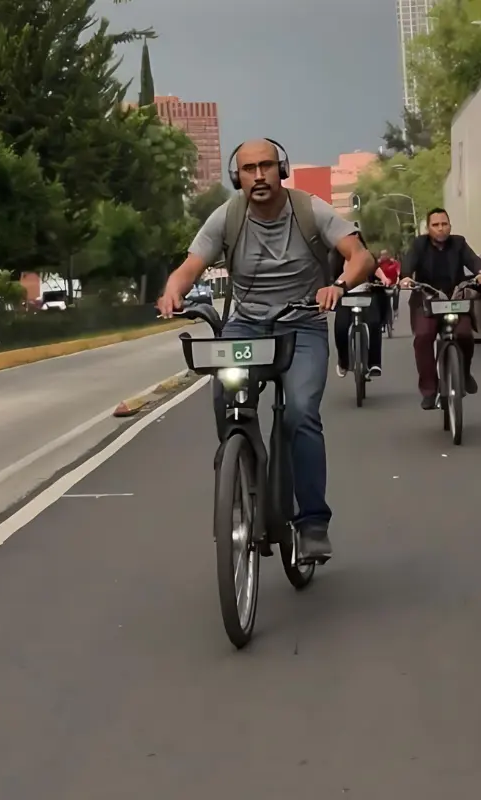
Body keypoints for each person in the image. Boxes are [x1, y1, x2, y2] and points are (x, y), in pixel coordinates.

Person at [157, 138, 375, 561]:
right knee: (224, 395)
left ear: (282, 170)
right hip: (247, 324)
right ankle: (244, 471)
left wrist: (339, 285)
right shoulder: (228, 217)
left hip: (303, 324)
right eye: (248, 168)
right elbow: (188, 267)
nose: (258, 176)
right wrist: (172, 293)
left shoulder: (311, 210)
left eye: (266, 166)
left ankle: (312, 522)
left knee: (300, 414)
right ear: (236, 176)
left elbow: (360, 257)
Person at [399, 208, 481, 410]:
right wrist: (405, 277)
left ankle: (464, 374)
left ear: (450, 225)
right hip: (427, 299)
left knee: (465, 334)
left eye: (444, 224)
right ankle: (429, 391)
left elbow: (473, 260)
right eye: (435, 225)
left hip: (454, 297)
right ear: (428, 228)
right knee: (423, 336)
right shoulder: (419, 245)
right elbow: (408, 264)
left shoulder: (459, 243)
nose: (441, 229)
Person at [332, 234, 386, 378]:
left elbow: (375, 269)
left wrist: (384, 279)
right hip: (346, 296)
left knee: (374, 323)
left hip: (366, 294)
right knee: (341, 327)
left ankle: (374, 363)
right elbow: (329, 275)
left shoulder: (366, 256)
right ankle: (343, 361)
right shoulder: (336, 259)